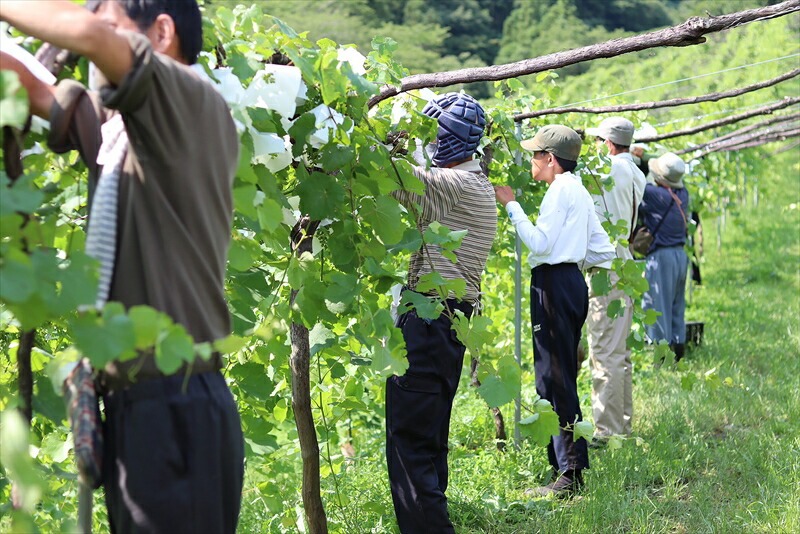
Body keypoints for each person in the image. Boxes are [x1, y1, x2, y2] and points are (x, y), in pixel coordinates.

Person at [0, 1, 244, 532]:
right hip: (146, 407)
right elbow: (39, 91)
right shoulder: (131, 130)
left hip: (176, 407)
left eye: (113, 30)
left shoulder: (188, 97)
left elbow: (84, 31)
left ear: (161, 33)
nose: (94, 50)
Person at [387, 92, 497, 532]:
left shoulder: (456, 186)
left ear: (450, 140)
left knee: (409, 445)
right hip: (447, 324)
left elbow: (391, 177)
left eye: (435, 134)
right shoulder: (477, 183)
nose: (429, 142)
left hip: (431, 323)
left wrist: (366, 140)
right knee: (429, 441)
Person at [494, 125, 614, 497]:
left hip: (552, 284)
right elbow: (603, 250)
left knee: (553, 377)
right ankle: (565, 466)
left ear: (550, 159)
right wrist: (572, 259)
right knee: (558, 373)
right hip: (571, 284)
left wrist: (511, 204)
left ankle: (569, 473)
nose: (531, 160)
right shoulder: (577, 190)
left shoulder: (559, 190)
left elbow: (539, 243)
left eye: (535, 154)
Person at [584, 117, 646, 444]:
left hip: (606, 269)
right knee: (619, 352)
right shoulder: (636, 172)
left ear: (608, 144)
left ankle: (606, 433)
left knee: (604, 351)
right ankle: (621, 426)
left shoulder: (608, 170)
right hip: (626, 265)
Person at [639, 152, 690, 361]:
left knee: (656, 306)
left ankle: (661, 359)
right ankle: (678, 354)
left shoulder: (654, 194)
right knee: (676, 305)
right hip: (680, 255)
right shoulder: (683, 193)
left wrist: (640, 159)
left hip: (662, 257)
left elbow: (636, 184)